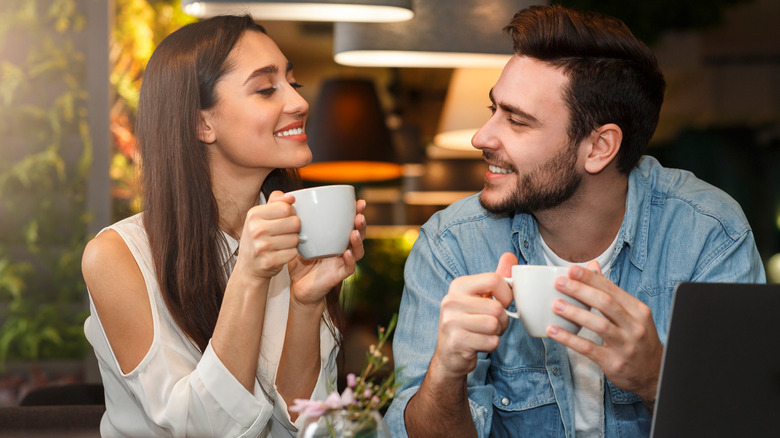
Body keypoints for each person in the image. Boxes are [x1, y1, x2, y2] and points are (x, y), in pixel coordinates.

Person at [384, 5, 765, 438]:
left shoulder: (707, 233)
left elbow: (747, 421)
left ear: (599, 147)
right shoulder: (452, 246)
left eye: (517, 121)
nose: (482, 137)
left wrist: (657, 380)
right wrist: (446, 374)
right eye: (493, 110)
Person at [81, 15, 366, 437]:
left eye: (293, 83)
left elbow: (308, 426)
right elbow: (205, 431)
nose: (299, 102)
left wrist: (306, 303)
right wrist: (249, 275)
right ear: (202, 123)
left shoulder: (298, 234)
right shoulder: (117, 256)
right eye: (267, 88)